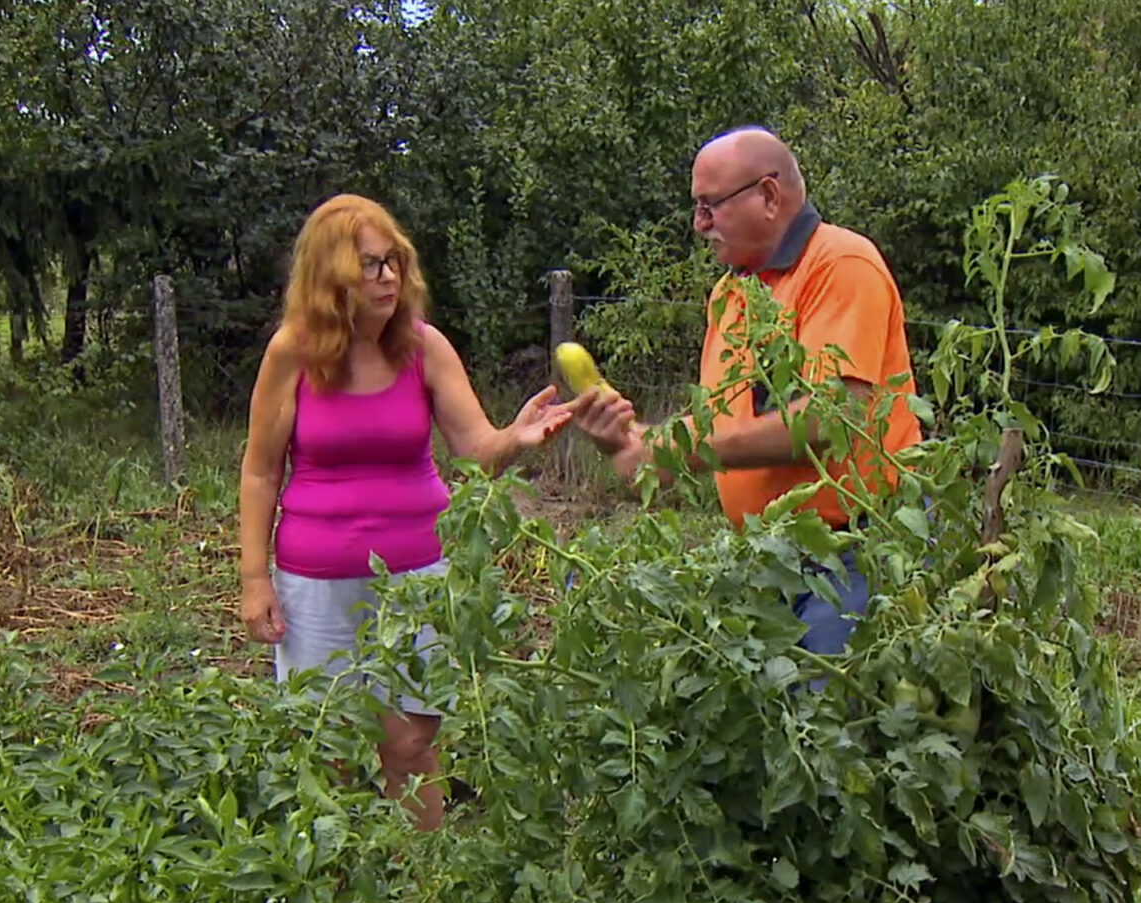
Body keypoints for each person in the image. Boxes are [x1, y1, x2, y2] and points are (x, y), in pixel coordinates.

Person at [238, 193, 578, 830]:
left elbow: (476, 449)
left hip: (417, 581)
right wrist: (254, 579)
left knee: (413, 746)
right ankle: (337, 901)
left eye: (393, 261)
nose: (388, 276)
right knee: (328, 748)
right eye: (369, 265)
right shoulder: (295, 352)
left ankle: (423, 892)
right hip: (316, 582)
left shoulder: (424, 348)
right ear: (330, 273)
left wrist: (516, 436)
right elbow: (260, 471)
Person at [574, 127, 923, 679]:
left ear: (768, 195)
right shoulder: (732, 293)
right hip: (766, 559)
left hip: (851, 551)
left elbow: (829, 417)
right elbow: (724, 422)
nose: (699, 224)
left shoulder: (841, 264)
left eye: (710, 205)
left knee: (823, 727)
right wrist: (633, 441)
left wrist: (676, 452)